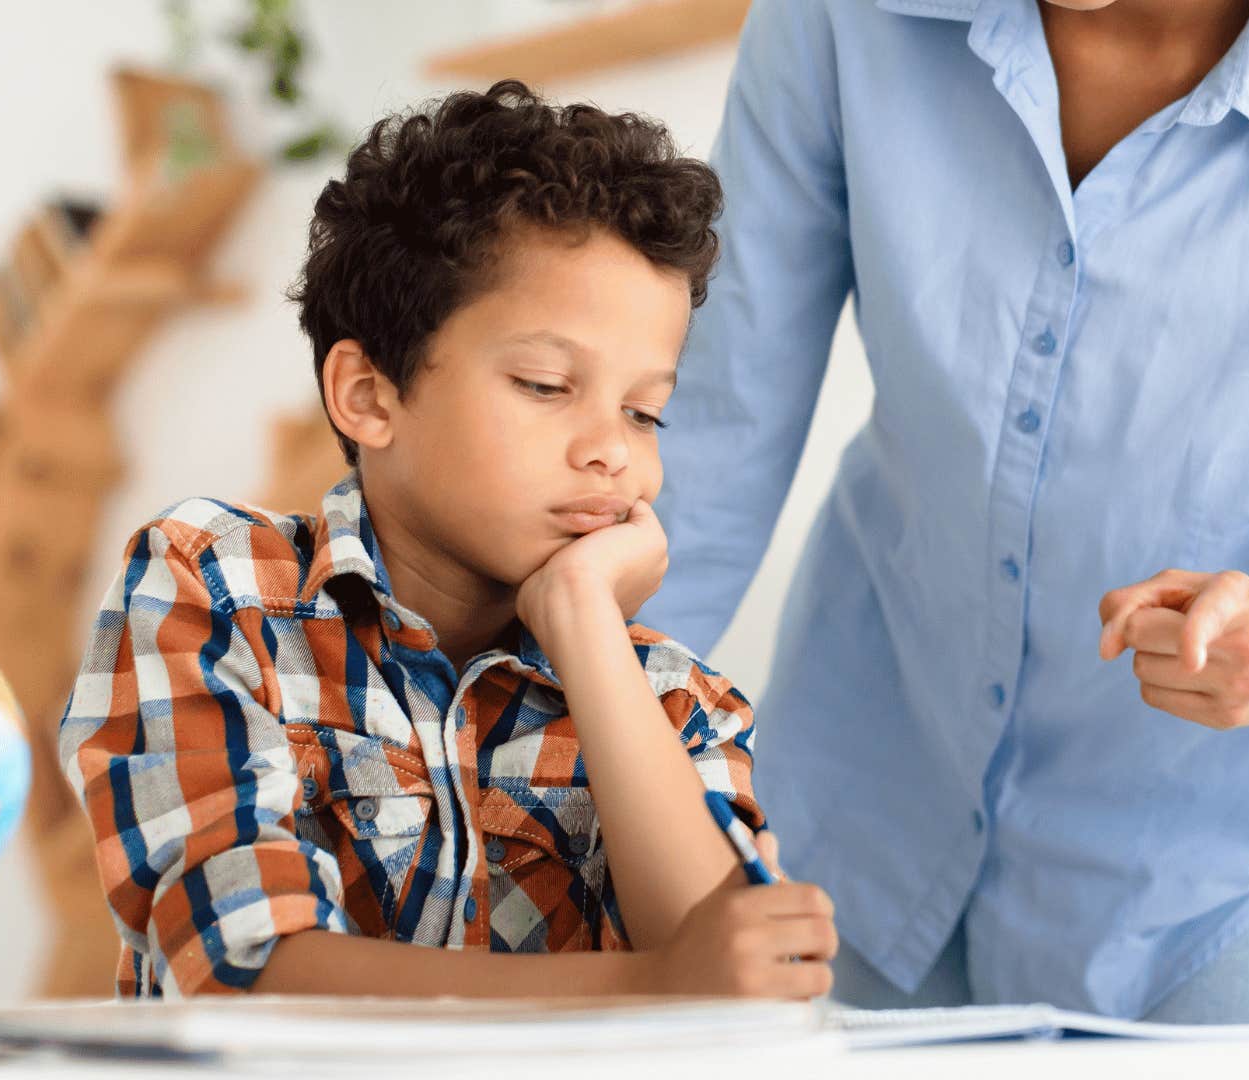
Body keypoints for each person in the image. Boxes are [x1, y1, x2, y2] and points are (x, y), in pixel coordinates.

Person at [639, 0, 1249, 1022]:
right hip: (860, 822)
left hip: (1211, 888)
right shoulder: (842, 20)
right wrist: (539, 774)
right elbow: (705, 453)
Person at [57, 81, 836, 999]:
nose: (610, 453)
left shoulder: (673, 704)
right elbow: (247, 968)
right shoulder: (217, 588)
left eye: (644, 412)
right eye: (547, 386)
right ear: (370, 396)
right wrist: (650, 986)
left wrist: (584, 625)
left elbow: (734, 979)